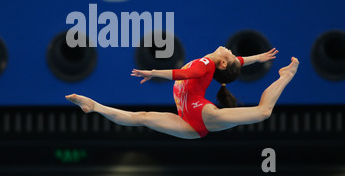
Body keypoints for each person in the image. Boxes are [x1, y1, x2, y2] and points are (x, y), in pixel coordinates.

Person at [65, 46, 299, 139]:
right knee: (142, 117)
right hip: (188, 123)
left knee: (264, 112)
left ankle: (286, 77)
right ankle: (93, 106)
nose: (230, 50)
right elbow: (238, 61)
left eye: (230, 55)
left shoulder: (207, 64)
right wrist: (257, 58)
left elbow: (184, 75)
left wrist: (154, 72)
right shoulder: (217, 64)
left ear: (223, 64)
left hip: (202, 115)